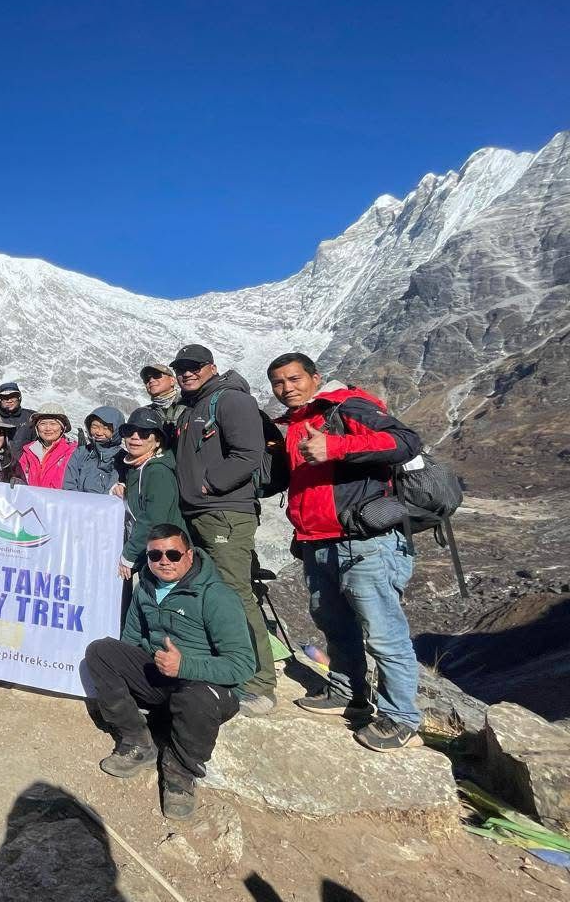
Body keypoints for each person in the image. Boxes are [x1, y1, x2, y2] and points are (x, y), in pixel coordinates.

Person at [268, 352, 424, 751]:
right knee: (334, 623)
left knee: (383, 631)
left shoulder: (348, 406)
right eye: (278, 383)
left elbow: (406, 441)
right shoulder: (294, 424)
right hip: (317, 541)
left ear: (315, 377)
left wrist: (336, 446)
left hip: (365, 541)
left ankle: (400, 717)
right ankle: (348, 692)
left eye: (294, 379)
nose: (286, 388)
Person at [84, 524, 252, 820]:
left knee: (195, 698)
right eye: (155, 555)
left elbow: (242, 664)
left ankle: (179, 775)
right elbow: (131, 640)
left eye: (173, 554)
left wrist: (185, 665)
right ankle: (137, 741)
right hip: (162, 677)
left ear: (188, 555)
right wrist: (132, 674)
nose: (164, 560)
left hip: (207, 687)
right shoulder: (145, 588)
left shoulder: (216, 596)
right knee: (101, 651)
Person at [169, 343, 276, 716]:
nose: (186, 372)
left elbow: (249, 453)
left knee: (234, 594)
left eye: (194, 366)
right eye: (180, 367)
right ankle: (223, 667)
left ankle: (259, 683)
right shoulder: (192, 406)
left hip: (225, 512)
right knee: (208, 594)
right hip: (199, 512)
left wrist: (210, 484)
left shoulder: (230, 400)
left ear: (211, 367)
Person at [112, 408, 184, 582]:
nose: (135, 437)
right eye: (130, 432)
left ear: (157, 441)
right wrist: (122, 488)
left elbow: (153, 519)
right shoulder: (136, 468)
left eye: (144, 433)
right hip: (150, 550)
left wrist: (128, 555)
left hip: (166, 556)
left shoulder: (158, 472)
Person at [64, 406, 126, 494]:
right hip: (76, 504)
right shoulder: (81, 452)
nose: (99, 432)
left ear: (116, 430)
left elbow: (112, 491)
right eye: (94, 426)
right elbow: (69, 485)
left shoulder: (122, 458)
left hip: (104, 506)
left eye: (106, 428)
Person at [17, 403, 76, 489]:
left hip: (60, 501)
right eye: (43, 424)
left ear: (62, 428)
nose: (48, 428)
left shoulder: (73, 451)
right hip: (31, 500)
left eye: (53, 424)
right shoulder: (28, 451)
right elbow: (19, 475)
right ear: (37, 428)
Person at [140, 363, 185, 439]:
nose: (151, 380)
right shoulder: (144, 413)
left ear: (172, 380)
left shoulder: (188, 404)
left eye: (156, 375)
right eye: (146, 380)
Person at [0, 381, 35, 451]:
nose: (9, 400)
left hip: (26, 460)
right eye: (5, 397)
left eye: (13, 396)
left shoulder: (31, 416)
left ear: (19, 398)